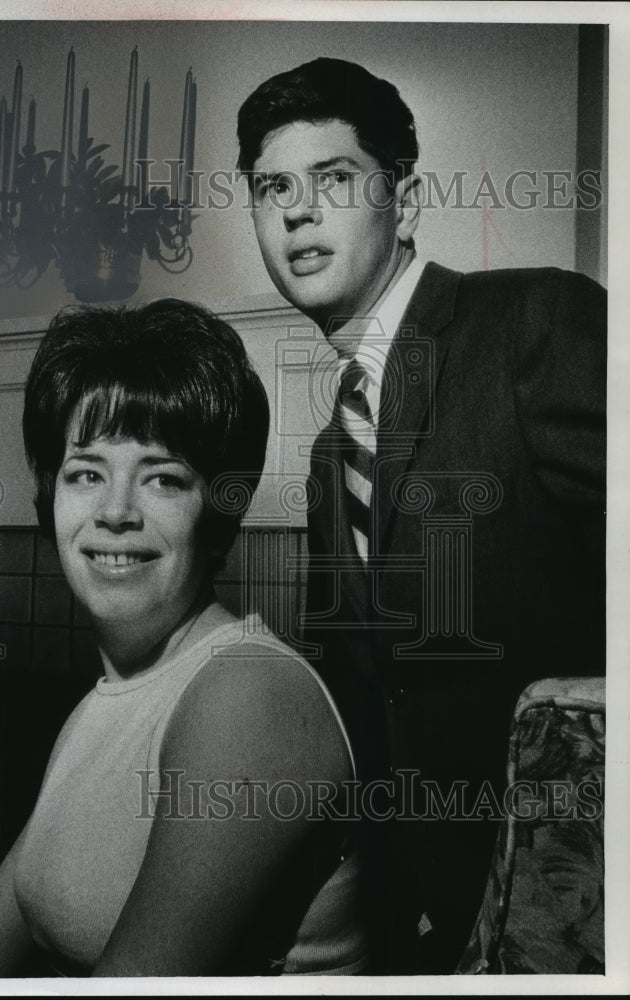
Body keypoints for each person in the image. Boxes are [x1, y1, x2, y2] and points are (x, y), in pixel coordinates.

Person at [237, 57, 606, 974]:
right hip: (430, 928)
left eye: (333, 179)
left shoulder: (537, 322)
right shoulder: (333, 454)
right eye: (272, 187)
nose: (296, 211)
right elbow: (370, 703)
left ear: (404, 202)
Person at [0, 299, 368, 978]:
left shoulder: (250, 696)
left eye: (164, 479)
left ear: (218, 513)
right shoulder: (102, 706)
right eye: (86, 473)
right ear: (49, 498)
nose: (115, 512)